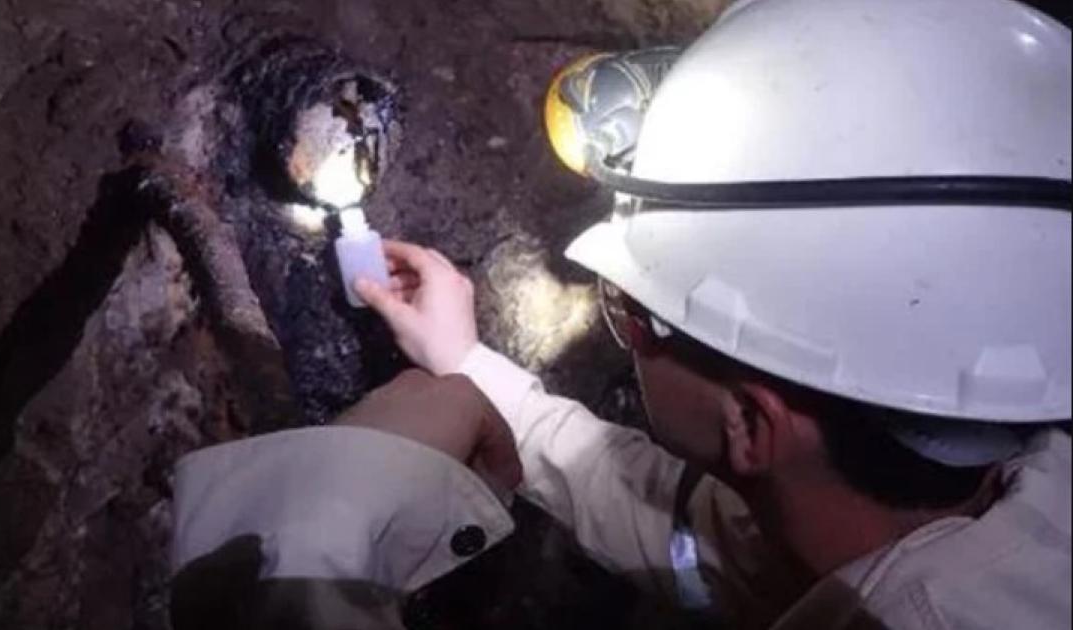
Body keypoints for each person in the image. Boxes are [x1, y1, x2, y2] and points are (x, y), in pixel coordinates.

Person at [170, 0, 1072, 627]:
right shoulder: (976, 512)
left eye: (634, 310)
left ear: (752, 426)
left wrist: (332, 497)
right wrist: (477, 373)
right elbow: (709, 544)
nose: (625, 322)